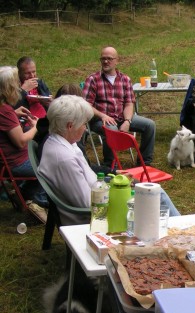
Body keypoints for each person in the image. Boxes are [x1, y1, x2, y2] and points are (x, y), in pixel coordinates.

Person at [38, 95, 180, 226]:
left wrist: (114, 181)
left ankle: (179, 229)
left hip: (99, 196)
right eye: (83, 124)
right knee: (154, 194)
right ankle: (180, 229)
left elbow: (89, 182)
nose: (85, 129)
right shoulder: (64, 159)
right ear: (70, 126)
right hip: (95, 218)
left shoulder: (60, 141)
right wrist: (118, 191)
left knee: (149, 190)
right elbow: (87, 204)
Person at [83, 46, 156, 167]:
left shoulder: (125, 79)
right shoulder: (93, 79)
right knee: (112, 129)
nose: (106, 61)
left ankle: (145, 163)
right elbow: (86, 105)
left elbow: (129, 103)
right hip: (100, 120)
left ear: (117, 60)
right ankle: (110, 165)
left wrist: (127, 121)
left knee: (149, 125)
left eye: (109, 59)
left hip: (122, 117)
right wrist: (102, 116)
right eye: (103, 59)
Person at [0, 66, 48, 220]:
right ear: (9, 88)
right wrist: (35, 127)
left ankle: (23, 193)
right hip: (15, 163)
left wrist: (14, 114)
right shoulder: (4, 110)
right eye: (15, 83)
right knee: (51, 169)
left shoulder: (5, 109)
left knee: (46, 158)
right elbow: (21, 141)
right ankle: (38, 201)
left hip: (13, 159)